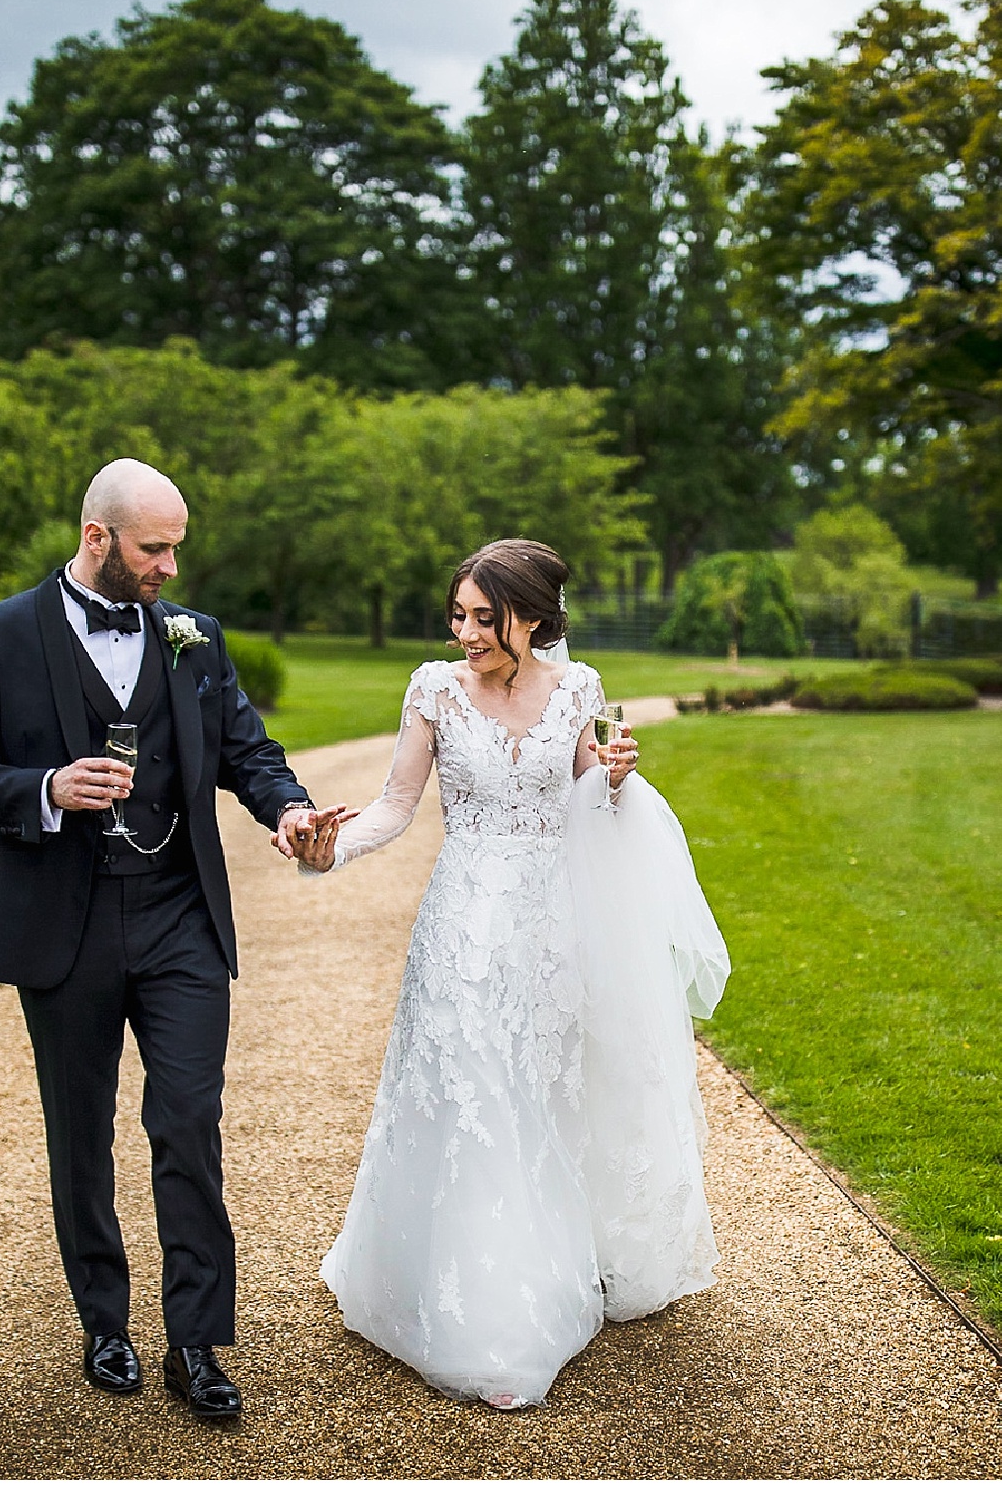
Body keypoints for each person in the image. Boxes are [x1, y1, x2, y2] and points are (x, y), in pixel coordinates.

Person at [0, 458, 349, 1422]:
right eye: (154, 548)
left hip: (177, 916)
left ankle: (196, 1340)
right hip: (62, 923)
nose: (168, 567)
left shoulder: (196, 640)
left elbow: (249, 750)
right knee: (80, 1129)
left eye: (176, 548)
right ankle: (104, 1321)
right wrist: (41, 789)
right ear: (97, 538)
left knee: (188, 1120)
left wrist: (286, 812)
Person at [299, 538, 730, 1409]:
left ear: (530, 618)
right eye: (458, 614)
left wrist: (611, 778)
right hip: (462, 919)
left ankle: (568, 1254)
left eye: (484, 618)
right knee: (470, 1090)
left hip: (554, 917)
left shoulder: (578, 688)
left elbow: (583, 796)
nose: (466, 633)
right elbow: (393, 805)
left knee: (549, 1084)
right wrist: (327, 848)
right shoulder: (433, 688)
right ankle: (482, 1303)